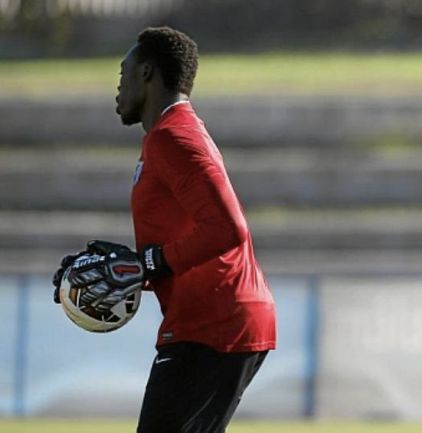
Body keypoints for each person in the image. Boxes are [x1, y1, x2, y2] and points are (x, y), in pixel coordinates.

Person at [55, 26, 276, 433]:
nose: (118, 87)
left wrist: (149, 264)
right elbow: (187, 238)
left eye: (124, 74)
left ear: (147, 74)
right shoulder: (169, 135)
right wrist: (125, 269)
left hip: (213, 324)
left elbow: (230, 229)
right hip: (215, 319)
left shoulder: (174, 137)